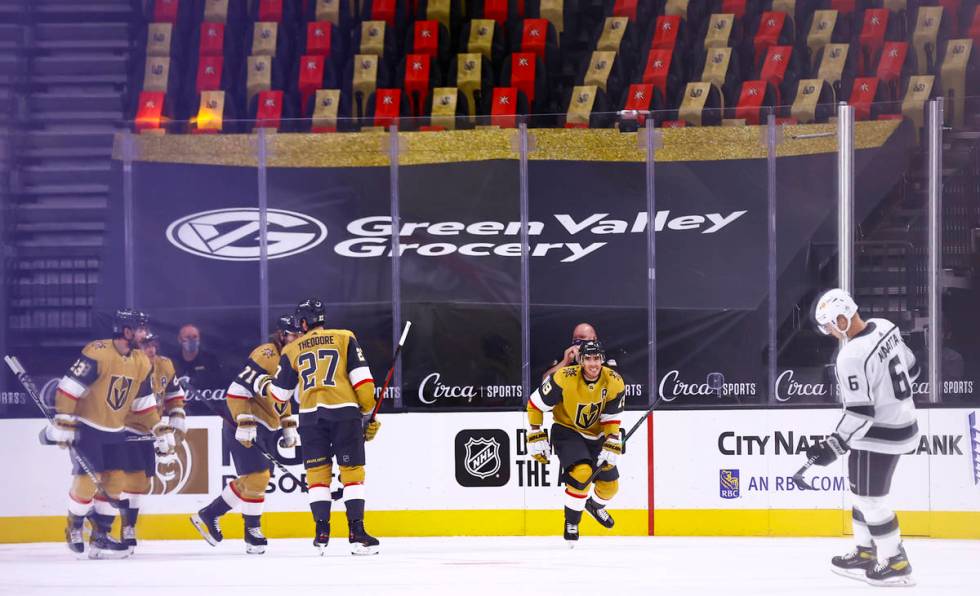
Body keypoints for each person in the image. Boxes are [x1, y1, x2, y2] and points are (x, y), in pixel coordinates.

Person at [807, 288, 919, 587]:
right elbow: (913, 367)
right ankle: (864, 551)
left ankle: (896, 562)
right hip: (901, 423)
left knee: (871, 500)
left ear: (841, 319)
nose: (830, 331)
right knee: (861, 494)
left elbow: (860, 413)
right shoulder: (885, 326)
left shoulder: (850, 356)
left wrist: (832, 445)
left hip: (879, 436)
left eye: (830, 324)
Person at [255, 298, 382, 555]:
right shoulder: (345, 337)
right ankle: (357, 534)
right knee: (352, 473)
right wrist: (368, 415)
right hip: (345, 415)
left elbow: (280, 395)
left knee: (317, 477)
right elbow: (363, 383)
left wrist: (262, 385)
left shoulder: (292, 349)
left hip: (311, 419)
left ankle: (321, 535)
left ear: (303, 322)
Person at [49, 309, 176, 559]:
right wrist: (63, 419)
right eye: (140, 328)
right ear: (127, 331)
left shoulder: (141, 361)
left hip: (115, 429)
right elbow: (69, 388)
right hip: (88, 427)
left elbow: (144, 403)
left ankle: (101, 537)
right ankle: (74, 525)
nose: (145, 333)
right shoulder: (97, 352)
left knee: (115, 481)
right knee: (88, 481)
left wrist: (158, 427)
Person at [191, 314, 301, 554]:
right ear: (282, 335)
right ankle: (217, 517)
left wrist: (287, 424)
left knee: (258, 480)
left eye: (300, 334)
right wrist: (245, 420)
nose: (298, 338)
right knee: (258, 477)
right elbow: (236, 391)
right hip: (245, 424)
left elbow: (283, 397)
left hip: (267, 425)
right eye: (294, 334)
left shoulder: (293, 358)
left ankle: (246, 530)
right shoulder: (267, 354)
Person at [526, 340, 625, 547]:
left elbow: (611, 418)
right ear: (580, 361)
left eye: (596, 358)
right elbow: (534, 404)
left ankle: (595, 506)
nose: (592, 363)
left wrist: (612, 440)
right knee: (582, 474)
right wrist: (535, 433)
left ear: (602, 360)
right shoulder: (563, 377)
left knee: (610, 487)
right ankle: (572, 523)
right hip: (567, 430)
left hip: (596, 435)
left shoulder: (614, 382)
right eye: (587, 358)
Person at [119, 331, 186, 554]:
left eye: (153, 344)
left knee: (142, 484)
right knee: (134, 480)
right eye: (146, 345)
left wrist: (176, 421)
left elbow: (174, 396)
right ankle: (125, 526)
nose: (152, 350)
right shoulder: (127, 367)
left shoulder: (164, 365)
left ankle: (127, 524)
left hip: (149, 428)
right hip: (125, 428)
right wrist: (161, 430)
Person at [541, 323, 617, 381]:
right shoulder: (567, 356)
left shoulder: (605, 357)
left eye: (581, 337)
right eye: (575, 338)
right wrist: (565, 362)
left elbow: (615, 381)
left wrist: (586, 361)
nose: (577, 341)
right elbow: (545, 380)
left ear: (594, 339)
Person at [174, 323, 224, 391]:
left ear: (199, 339)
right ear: (179, 340)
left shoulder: (211, 361)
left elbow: (219, 384)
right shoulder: (171, 362)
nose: (192, 340)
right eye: (188, 337)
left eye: (195, 337)